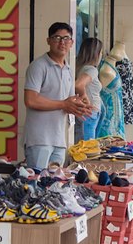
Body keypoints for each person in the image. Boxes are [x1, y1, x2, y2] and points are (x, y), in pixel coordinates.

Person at [24, 22, 91, 169]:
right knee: (37, 185)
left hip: (59, 139)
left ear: (72, 43)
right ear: (48, 40)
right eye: (57, 38)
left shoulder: (68, 69)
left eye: (66, 38)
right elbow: (30, 100)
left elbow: (68, 102)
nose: (62, 42)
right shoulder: (38, 66)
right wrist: (64, 104)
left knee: (55, 186)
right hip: (39, 140)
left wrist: (80, 105)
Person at [74, 38, 103, 140]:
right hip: (89, 114)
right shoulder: (91, 69)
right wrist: (85, 98)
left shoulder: (80, 68)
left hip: (87, 115)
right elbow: (78, 85)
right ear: (97, 54)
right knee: (87, 148)